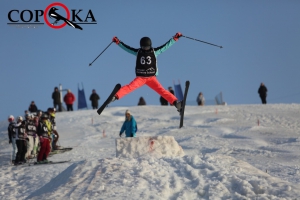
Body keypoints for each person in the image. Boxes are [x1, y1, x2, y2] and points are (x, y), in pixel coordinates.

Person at [109, 33, 183, 113]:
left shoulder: (155, 51)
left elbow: (166, 46)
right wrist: (118, 42)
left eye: (147, 47)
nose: (146, 49)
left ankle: (176, 103)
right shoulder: (138, 52)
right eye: (144, 47)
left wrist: (175, 39)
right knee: (130, 87)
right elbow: (127, 48)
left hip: (152, 78)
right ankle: (115, 96)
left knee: (162, 91)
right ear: (141, 46)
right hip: (140, 78)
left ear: (150, 46)